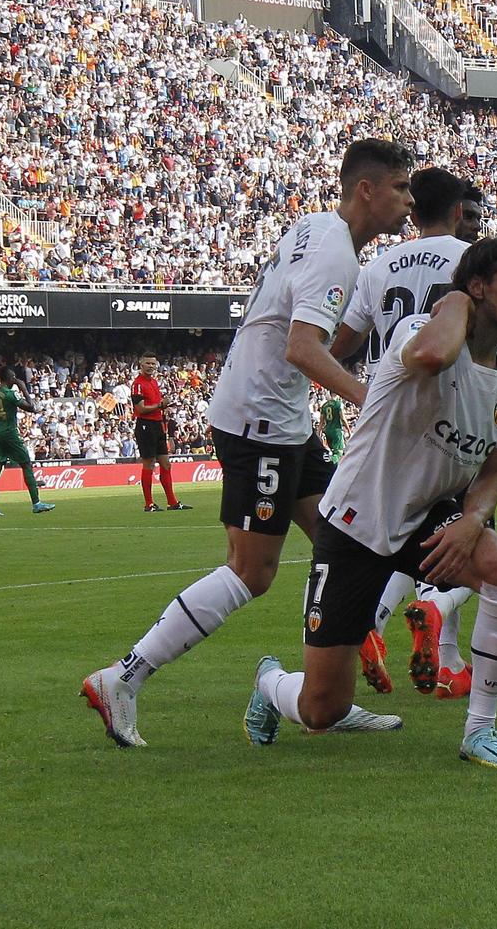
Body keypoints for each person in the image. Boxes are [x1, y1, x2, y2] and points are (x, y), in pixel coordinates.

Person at [82, 138, 414, 747]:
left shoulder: (316, 228)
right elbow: (302, 347)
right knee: (252, 572)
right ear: (366, 189)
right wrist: (374, 400)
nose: (408, 200)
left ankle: (326, 695)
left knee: (347, 540)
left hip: (281, 418)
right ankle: (122, 678)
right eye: (400, 187)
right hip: (260, 421)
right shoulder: (337, 256)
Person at [243, 237, 497, 769]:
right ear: (477, 287)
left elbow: (494, 468)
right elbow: (433, 355)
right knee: (321, 709)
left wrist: (473, 521)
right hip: (358, 518)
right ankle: (271, 682)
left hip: (430, 513)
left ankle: (480, 731)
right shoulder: (416, 332)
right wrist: (453, 304)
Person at [330, 165, 473, 696]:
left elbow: (342, 342)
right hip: (454, 419)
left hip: (392, 422)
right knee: (467, 547)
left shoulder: (378, 266)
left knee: (401, 540)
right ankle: (433, 608)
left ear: (412, 211)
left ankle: (435, 658)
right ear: (459, 213)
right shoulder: (471, 263)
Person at [0, 365, 55, 516]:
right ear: (9, 378)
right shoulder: (11, 394)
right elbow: (32, 408)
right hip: (10, 434)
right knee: (26, 464)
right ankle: (36, 504)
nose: (15, 379)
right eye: (13, 377)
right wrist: (23, 388)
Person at [131, 354, 186, 512]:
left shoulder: (154, 382)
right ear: (141, 364)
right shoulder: (138, 384)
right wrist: (160, 405)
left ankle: (172, 502)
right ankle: (149, 504)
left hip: (157, 425)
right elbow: (140, 409)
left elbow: (154, 406)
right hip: (145, 426)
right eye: (147, 363)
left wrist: (163, 409)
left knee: (166, 464)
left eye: (153, 364)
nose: (150, 366)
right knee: (149, 463)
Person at [320, 396, 348, 463]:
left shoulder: (324, 405)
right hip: (336, 430)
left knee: (333, 451)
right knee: (339, 453)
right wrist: (348, 429)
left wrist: (319, 432)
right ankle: (330, 464)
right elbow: (343, 419)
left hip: (328, 430)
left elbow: (321, 422)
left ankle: (329, 464)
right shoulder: (338, 404)